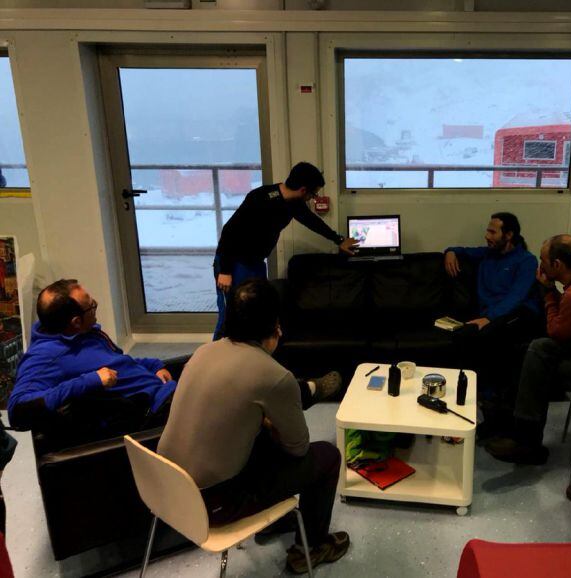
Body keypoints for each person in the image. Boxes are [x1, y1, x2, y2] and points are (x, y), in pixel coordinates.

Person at [158, 278, 350, 575]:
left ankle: (275, 518)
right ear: (274, 326)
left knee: (260, 437)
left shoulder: (202, 353)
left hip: (166, 488)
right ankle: (309, 549)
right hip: (212, 505)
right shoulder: (274, 375)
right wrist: (272, 424)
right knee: (326, 457)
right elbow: (299, 449)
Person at [484, 234, 571, 464]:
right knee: (535, 349)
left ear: (557, 264)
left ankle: (526, 443)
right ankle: (510, 426)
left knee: (536, 362)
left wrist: (548, 291)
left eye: (543, 260)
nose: (539, 264)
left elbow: (556, 330)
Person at [8, 279, 177, 437]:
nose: (95, 305)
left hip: (165, 392)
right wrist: (90, 380)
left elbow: (117, 361)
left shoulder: (84, 332)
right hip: (155, 412)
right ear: (75, 322)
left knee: (200, 361)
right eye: (91, 306)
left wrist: (154, 365)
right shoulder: (46, 357)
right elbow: (17, 410)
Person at [213, 162, 358, 338]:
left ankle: (249, 357)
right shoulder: (260, 198)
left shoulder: (293, 203)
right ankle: (214, 360)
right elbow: (230, 232)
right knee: (230, 317)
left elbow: (312, 222)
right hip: (233, 262)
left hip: (255, 262)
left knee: (256, 313)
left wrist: (339, 240)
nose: (313, 198)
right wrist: (226, 270)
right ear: (304, 190)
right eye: (314, 193)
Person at [443, 212, 541, 396]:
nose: (487, 236)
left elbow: (516, 297)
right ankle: (466, 390)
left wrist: (489, 318)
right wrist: (450, 251)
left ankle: (489, 397)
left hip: (516, 313)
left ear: (508, 235)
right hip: (490, 314)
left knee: (487, 336)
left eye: (492, 232)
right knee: (462, 335)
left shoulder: (526, 261)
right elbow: (461, 250)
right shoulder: (487, 254)